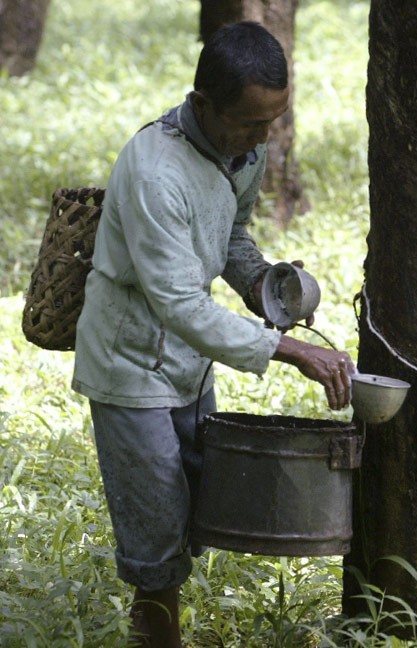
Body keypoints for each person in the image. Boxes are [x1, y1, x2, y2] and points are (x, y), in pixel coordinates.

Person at [71, 21, 353, 648]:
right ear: (203, 106)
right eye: (252, 124)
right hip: (129, 368)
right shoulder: (155, 172)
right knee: (156, 539)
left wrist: (265, 287)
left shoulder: (239, 154)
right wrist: (289, 349)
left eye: (274, 122)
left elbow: (229, 238)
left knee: (191, 508)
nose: (264, 140)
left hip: (189, 367)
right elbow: (178, 303)